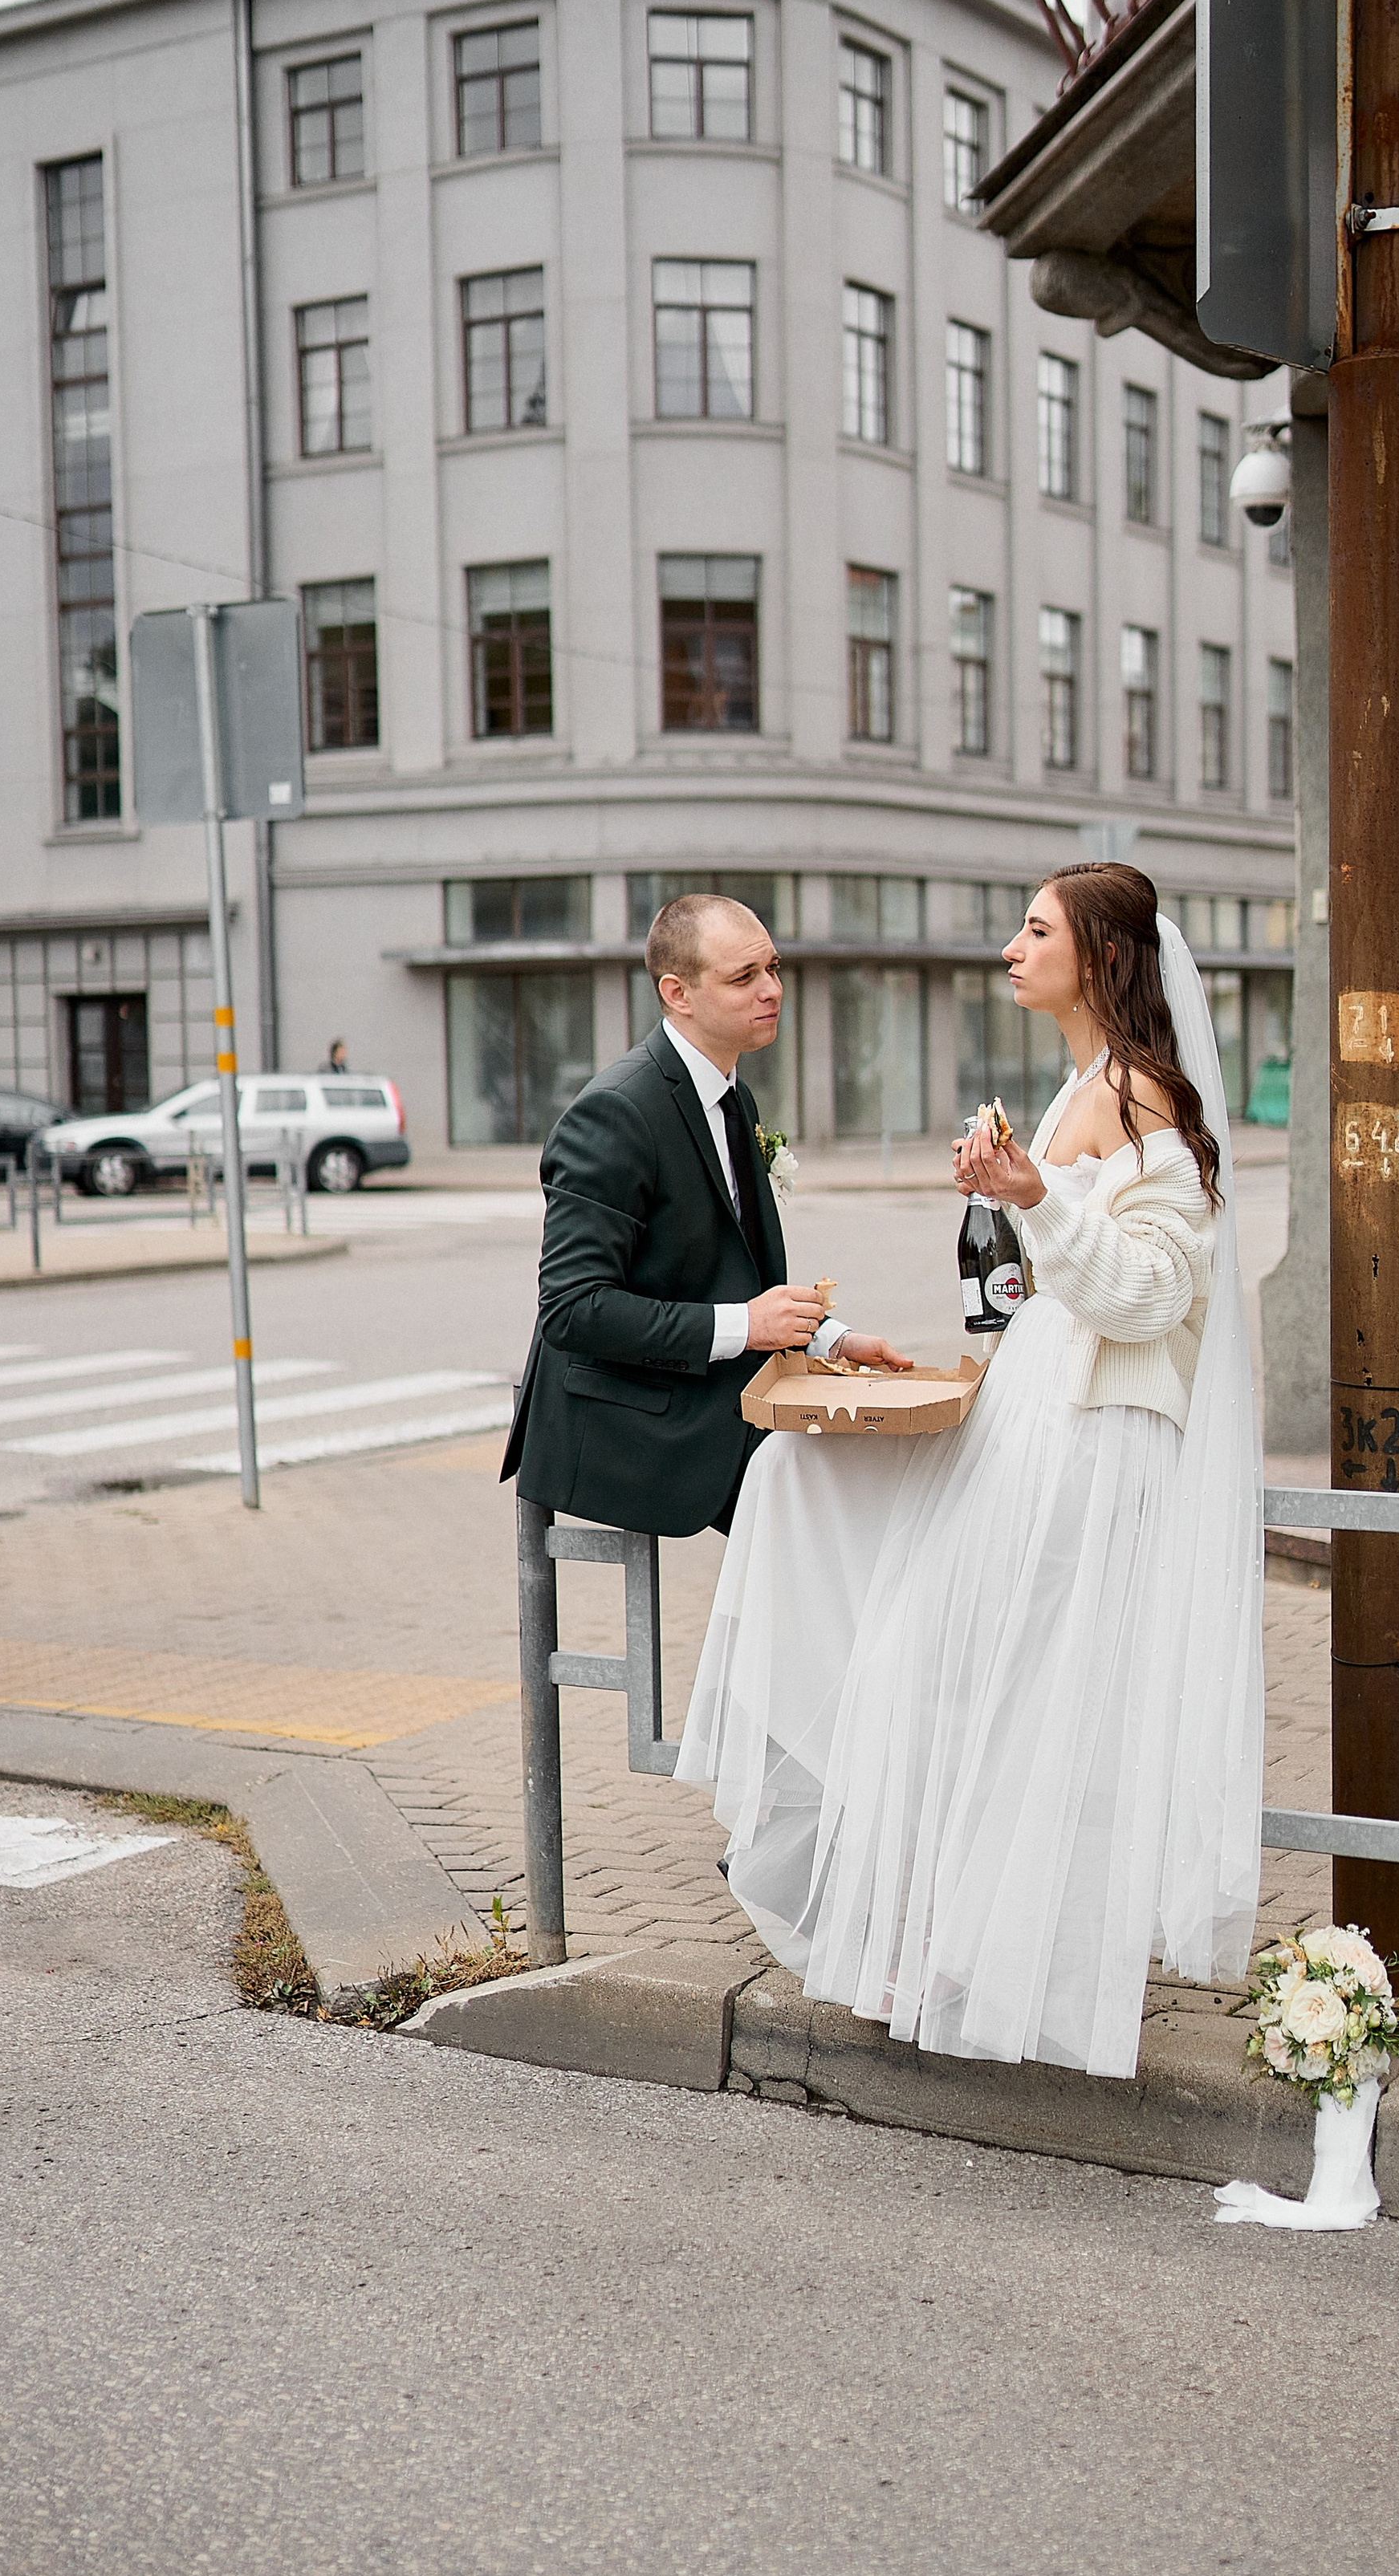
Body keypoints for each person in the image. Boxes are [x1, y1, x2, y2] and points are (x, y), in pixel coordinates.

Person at [674, 860, 1263, 2082]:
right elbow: (1055, 1271)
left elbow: (1153, 1294)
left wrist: (1035, 1195)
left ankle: (968, 1960)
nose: (1011, 947)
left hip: (1090, 1444)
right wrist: (1007, 1202)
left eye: (1036, 929)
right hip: (1038, 1415)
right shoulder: (1079, 1088)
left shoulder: (1145, 1092)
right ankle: (934, 1943)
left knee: (1006, 1695)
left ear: (1100, 959)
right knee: (947, 1674)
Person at [501, 894, 910, 1539]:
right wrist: (749, 1326)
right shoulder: (616, 1113)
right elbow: (573, 1309)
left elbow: (722, 1270)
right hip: (629, 1425)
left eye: (774, 968)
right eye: (744, 977)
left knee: (883, 1472)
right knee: (843, 1509)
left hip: (708, 1394)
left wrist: (827, 1338)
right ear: (678, 993)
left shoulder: (733, 1094)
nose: (772, 990)